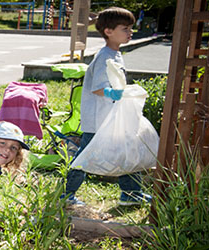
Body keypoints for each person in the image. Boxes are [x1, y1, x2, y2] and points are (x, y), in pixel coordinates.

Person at [62, 7, 152, 206]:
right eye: (125, 28)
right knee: (85, 156)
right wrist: (115, 93)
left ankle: (131, 193)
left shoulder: (115, 54)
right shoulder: (105, 56)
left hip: (110, 117)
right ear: (108, 32)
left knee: (127, 150)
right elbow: (99, 88)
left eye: (131, 28)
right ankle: (66, 194)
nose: (130, 32)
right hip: (98, 120)